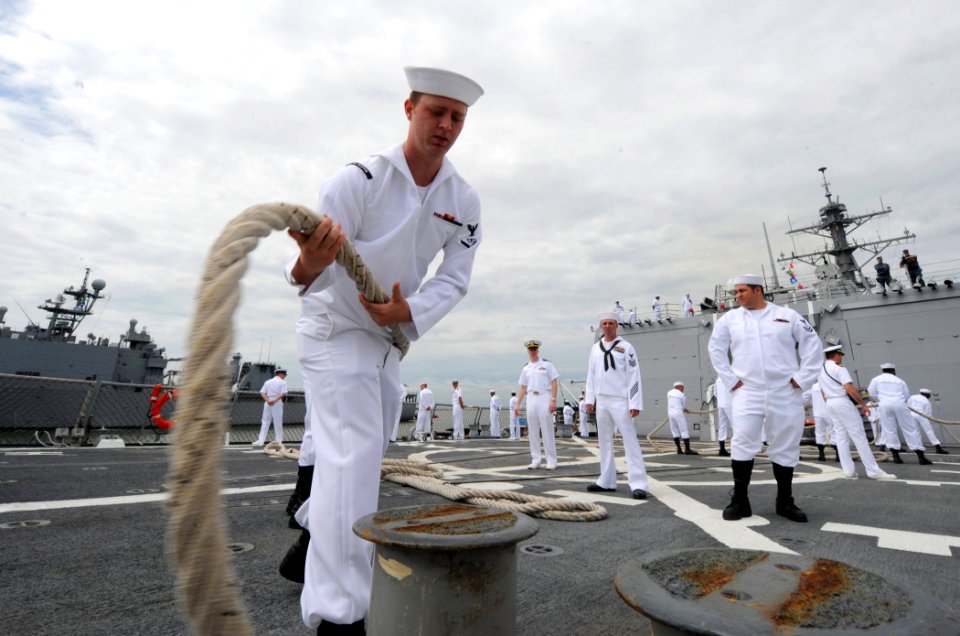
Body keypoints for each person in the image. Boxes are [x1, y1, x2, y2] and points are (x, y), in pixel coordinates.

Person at [285, 65, 483, 634]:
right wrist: (312, 262)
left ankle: (309, 535)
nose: (445, 125)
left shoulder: (463, 200)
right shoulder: (358, 181)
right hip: (335, 328)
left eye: (457, 117)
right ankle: (340, 617)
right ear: (408, 109)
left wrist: (407, 313)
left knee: (357, 453)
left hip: (387, 341)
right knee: (353, 456)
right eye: (435, 112)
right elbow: (306, 269)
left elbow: (455, 278)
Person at [708, 274, 822, 523]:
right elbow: (715, 349)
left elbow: (812, 345)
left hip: (784, 390)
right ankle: (740, 500)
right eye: (736, 292)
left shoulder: (787, 315)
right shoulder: (730, 319)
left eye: (742, 291)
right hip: (747, 390)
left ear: (758, 290)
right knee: (742, 441)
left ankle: (785, 501)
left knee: (785, 444)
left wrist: (802, 380)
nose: (737, 296)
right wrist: (730, 379)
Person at [584, 313, 650, 499]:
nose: (607, 326)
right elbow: (591, 374)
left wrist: (634, 402)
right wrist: (590, 399)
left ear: (616, 326)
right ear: (601, 326)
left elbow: (634, 375)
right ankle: (606, 481)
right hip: (601, 400)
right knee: (604, 442)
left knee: (630, 441)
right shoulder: (595, 348)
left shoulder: (626, 347)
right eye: (604, 323)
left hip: (621, 400)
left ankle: (639, 484)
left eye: (610, 323)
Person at [818, 345, 896, 480]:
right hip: (842, 402)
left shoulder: (820, 370)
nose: (841, 357)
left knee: (841, 437)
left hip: (830, 403)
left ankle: (848, 470)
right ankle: (873, 471)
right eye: (840, 354)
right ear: (836, 354)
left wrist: (830, 400)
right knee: (859, 436)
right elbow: (850, 389)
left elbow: (822, 391)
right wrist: (863, 404)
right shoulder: (839, 369)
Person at [868, 364, 933, 465]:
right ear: (893, 370)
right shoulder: (900, 380)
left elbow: (871, 393)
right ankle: (921, 457)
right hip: (900, 404)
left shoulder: (876, 379)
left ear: (883, 370)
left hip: (884, 405)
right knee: (910, 429)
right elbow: (906, 396)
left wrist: (882, 400)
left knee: (890, 430)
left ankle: (896, 457)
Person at [514, 339, 559, 470]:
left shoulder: (547, 365)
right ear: (528, 351)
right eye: (531, 349)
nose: (533, 352)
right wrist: (518, 404)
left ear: (538, 350)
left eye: (535, 349)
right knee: (532, 430)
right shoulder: (526, 368)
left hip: (544, 396)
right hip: (531, 398)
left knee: (547, 429)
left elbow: (554, 382)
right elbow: (523, 387)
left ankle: (551, 460)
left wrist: (553, 400)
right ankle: (536, 459)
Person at [254, 368, 288, 446]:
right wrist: (274, 401)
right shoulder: (283, 382)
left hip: (267, 401)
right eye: (284, 375)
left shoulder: (268, 382)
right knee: (277, 422)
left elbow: (262, 392)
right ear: (281, 374)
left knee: (265, 421)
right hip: (277, 402)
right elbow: (283, 393)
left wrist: (268, 400)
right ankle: (278, 441)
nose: (285, 376)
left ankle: (261, 441)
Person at [908, 389, 948, 454]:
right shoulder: (926, 401)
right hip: (922, 415)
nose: (930, 396)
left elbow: (908, 405)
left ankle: (918, 447)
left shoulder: (912, 397)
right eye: (929, 394)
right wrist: (930, 419)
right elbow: (928, 414)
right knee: (929, 431)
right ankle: (938, 447)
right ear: (926, 394)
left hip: (912, 414)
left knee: (915, 431)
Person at [809, 381, 838, 462]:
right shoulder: (830, 384)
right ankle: (838, 455)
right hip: (829, 412)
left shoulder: (813, 387)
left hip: (817, 413)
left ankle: (821, 455)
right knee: (834, 432)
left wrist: (814, 404)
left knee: (819, 433)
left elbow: (805, 397)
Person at [667, 382, 697, 455]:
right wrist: (684, 409)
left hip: (670, 414)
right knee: (684, 430)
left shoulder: (669, 393)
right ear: (679, 387)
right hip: (679, 413)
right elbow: (682, 405)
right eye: (683, 387)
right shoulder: (681, 395)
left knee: (674, 430)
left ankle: (679, 448)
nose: (683, 389)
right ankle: (687, 449)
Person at [713, 376, 731, 456]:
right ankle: (740, 449)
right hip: (730, 404)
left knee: (722, 426)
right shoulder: (731, 377)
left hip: (721, 404)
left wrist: (721, 399)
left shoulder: (718, 380)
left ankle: (722, 449)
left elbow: (715, 393)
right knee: (737, 425)